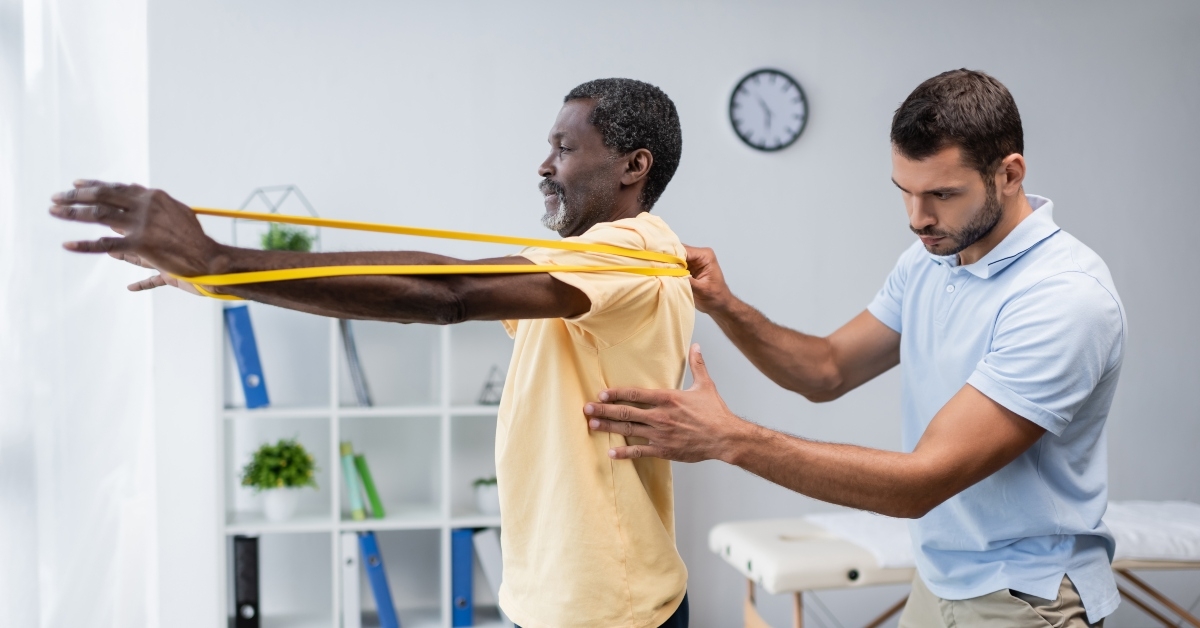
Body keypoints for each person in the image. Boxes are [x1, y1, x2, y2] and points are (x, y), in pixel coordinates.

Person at [51, 78, 692, 628]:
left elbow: (451, 293)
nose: (544, 165)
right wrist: (220, 275)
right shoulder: (596, 262)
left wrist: (219, 261)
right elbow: (456, 286)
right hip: (562, 591)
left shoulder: (634, 250)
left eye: (564, 147)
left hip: (606, 603)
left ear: (634, 166)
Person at [584, 69, 1125, 627]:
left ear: (1009, 174)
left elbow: (922, 483)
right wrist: (725, 304)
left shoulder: (1063, 298)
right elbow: (827, 369)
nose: (918, 219)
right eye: (906, 192)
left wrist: (729, 438)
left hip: (1023, 594)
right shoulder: (930, 259)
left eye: (942, 194)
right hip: (939, 578)